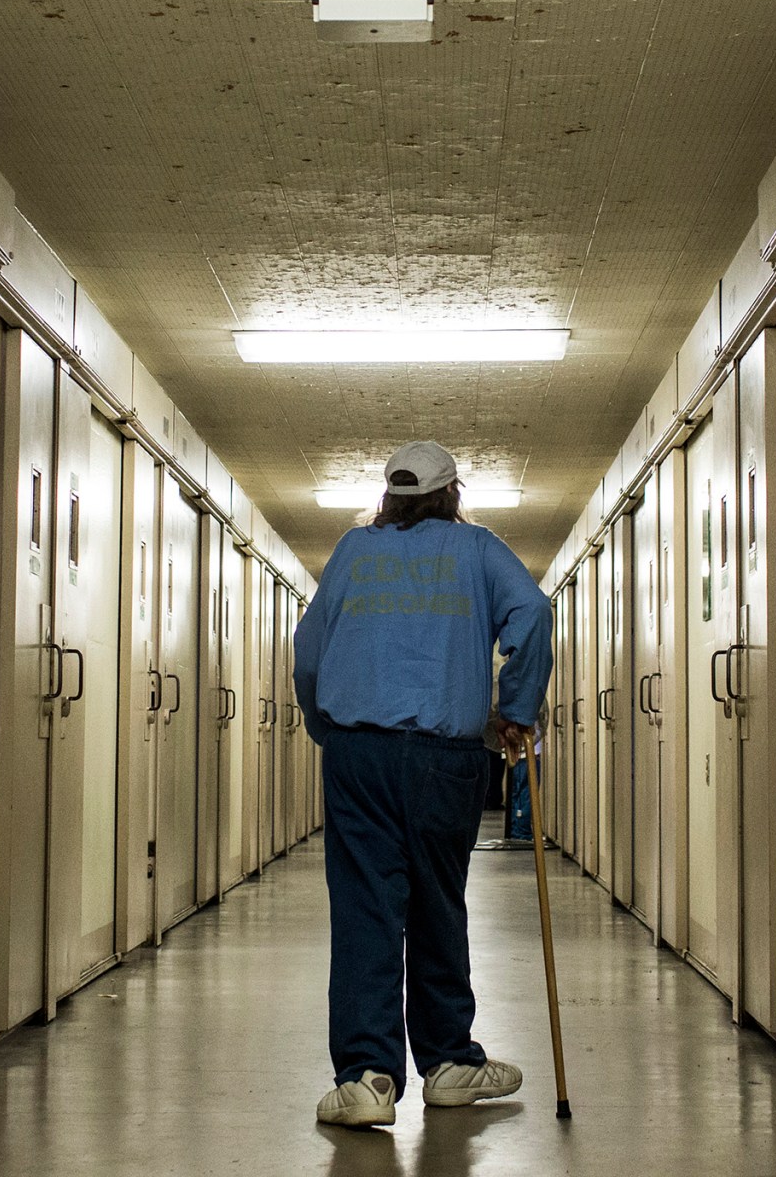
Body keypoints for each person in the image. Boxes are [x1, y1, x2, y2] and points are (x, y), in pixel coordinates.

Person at [292, 439, 553, 1129]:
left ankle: (367, 1078)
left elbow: (308, 648)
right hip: (445, 756)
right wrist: (517, 711)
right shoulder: (478, 551)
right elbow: (532, 612)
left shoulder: (353, 552)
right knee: (438, 901)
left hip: (358, 754)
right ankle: (448, 1064)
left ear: (390, 497)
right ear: (451, 494)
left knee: (364, 908)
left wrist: (328, 728)